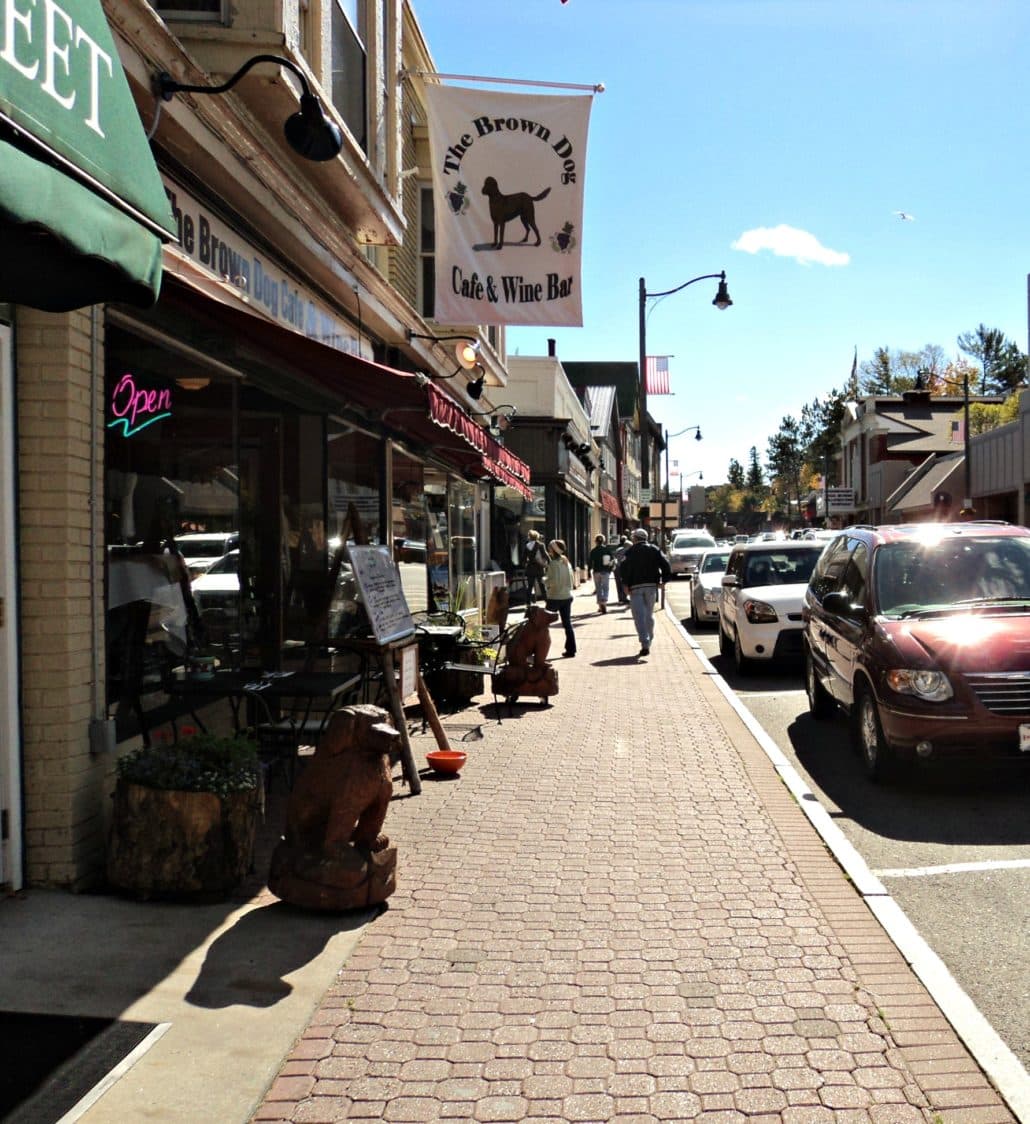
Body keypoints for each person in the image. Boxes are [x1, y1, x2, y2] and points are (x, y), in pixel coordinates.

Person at [618, 527, 671, 657]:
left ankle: (645, 643)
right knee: (648, 615)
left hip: (635, 587)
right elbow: (666, 565)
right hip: (652, 586)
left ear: (635, 539)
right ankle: (649, 639)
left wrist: (625, 584)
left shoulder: (630, 552)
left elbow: (623, 568)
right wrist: (663, 581)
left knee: (639, 617)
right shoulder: (654, 550)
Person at [543, 538, 576, 657]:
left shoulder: (553, 564)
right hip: (567, 596)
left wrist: (544, 581)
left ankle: (540, 649)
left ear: (553, 550)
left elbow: (553, 581)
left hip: (555, 597)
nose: (548, 550)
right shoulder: (566, 562)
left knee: (543, 624)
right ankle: (571, 649)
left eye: (549, 548)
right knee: (567, 624)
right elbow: (571, 580)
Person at [587, 534, 615, 613]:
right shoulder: (607, 550)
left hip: (596, 571)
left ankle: (600, 605)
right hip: (605, 571)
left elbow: (590, 562)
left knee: (598, 588)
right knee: (605, 587)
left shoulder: (593, 551)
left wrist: (589, 572)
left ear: (595, 541)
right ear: (603, 541)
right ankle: (604, 602)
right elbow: (612, 560)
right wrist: (610, 569)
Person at [523, 529, 548, 603]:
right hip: (539, 568)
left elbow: (523, 558)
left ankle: (528, 603)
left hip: (530, 569)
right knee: (542, 586)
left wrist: (526, 564)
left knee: (530, 587)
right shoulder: (540, 545)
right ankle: (546, 601)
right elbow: (545, 555)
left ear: (529, 537)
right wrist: (549, 563)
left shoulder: (527, 546)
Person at [612, 534, 631, 603]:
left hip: (616, 568)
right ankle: (624, 597)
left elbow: (614, 557)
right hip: (623, 569)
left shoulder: (618, 549)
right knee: (624, 582)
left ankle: (620, 597)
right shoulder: (628, 551)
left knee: (618, 583)